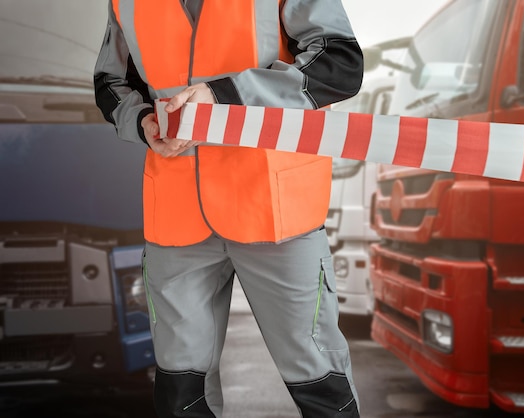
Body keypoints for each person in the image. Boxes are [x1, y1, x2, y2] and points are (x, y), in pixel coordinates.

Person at [93, 0, 364, 417]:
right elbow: (111, 81)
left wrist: (226, 96)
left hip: (276, 210)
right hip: (176, 213)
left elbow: (339, 64)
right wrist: (143, 121)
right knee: (181, 392)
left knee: (320, 385)